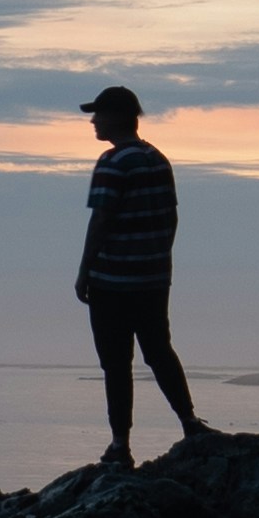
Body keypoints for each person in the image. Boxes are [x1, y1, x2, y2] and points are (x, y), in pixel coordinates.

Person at [76, 82, 205, 468]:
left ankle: (120, 446)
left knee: (116, 364)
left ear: (117, 117)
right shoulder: (158, 159)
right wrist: (159, 257)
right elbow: (172, 216)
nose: (93, 121)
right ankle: (190, 422)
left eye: (98, 114)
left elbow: (100, 220)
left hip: (112, 282)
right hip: (152, 279)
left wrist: (84, 270)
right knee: (159, 352)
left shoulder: (112, 163)